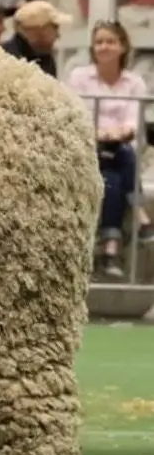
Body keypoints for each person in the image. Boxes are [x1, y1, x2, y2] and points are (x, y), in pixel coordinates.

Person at [65, 20, 154, 277]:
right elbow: (77, 114)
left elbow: (132, 120)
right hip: (88, 146)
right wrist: (100, 134)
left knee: (113, 179)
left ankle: (110, 250)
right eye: (99, 42)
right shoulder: (79, 77)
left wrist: (119, 133)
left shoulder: (134, 82)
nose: (104, 46)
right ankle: (140, 214)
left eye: (110, 41)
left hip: (119, 147)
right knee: (120, 156)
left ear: (123, 46)